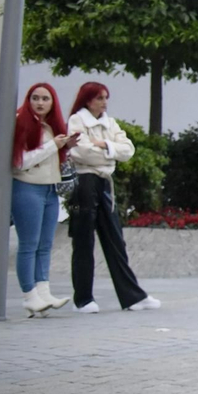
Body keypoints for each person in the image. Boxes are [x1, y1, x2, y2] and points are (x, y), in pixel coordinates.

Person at [66, 82, 157, 313]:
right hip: (84, 182)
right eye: (99, 98)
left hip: (105, 184)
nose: (104, 102)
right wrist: (110, 153)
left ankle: (132, 297)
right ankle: (83, 299)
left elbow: (128, 149)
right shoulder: (77, 120)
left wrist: (104, 145)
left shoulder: (111, 123)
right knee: (83, 241)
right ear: (87, 100)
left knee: (116, 240)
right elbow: (79, 151)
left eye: (106, 97)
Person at [12, 83, 77, 316]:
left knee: (45, 244)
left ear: (53, 102)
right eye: (35, 98)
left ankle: (43, 290)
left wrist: (65, 147)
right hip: (27, 187)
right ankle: (29, 295)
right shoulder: (21, 123)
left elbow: (52, 156)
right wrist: (53, 145)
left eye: (45, 99)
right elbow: (20, 162)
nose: (40, 103)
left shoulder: (51, 126)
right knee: (29, 244)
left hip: (49, 189)